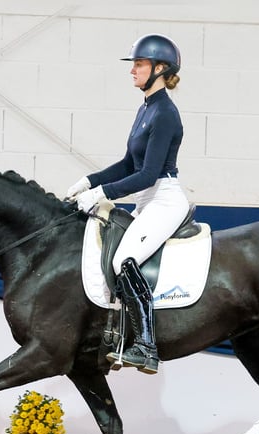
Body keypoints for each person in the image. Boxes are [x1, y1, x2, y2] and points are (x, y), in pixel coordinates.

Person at [66, 34, 190, 375]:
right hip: (147, 200)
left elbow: (148, 174)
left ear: (160, 68)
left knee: (124, 259)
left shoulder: (165, 113)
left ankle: (147, 346)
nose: (132, 70)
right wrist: (88, 182)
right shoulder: (146, 108)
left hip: (164, 199)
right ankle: (119, 334)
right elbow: (127, 164)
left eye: (139, 64)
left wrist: (102, 194)